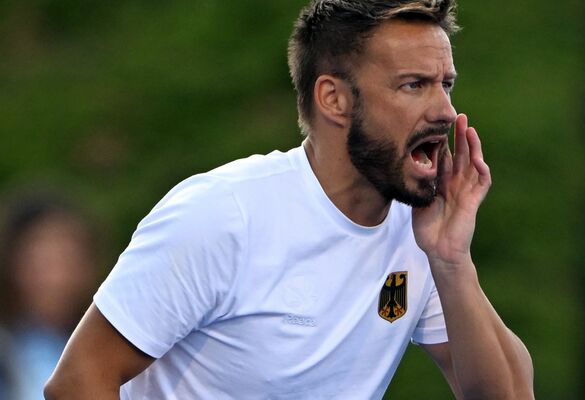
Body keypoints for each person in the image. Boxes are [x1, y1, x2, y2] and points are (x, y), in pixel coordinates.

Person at [45, 1, 535, 399]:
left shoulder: (420, 235)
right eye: (414, 85)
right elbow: (76, 382)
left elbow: (509, 395)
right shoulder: (222, 214)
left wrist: (452, 259)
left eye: (445, 84)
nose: (446, 111)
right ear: (333, 99)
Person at [0, 193, 97, 400]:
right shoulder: (8, 351)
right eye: (40, 264)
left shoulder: (107, 344)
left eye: (66, 260)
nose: (55, 279)